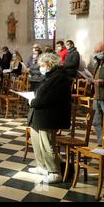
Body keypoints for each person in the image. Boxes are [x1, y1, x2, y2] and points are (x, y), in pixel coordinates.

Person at [27, 53, 71, 184]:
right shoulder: (49, 76)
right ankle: (42, 166)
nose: (41, 68)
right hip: (40, 115)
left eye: (42, 65)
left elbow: (50, 98)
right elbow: (40, 92)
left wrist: (33, 102)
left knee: (47, 145)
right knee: (36, 142)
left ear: (50, 65)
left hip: (50, 116)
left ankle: (55, 172)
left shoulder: (60, 78)